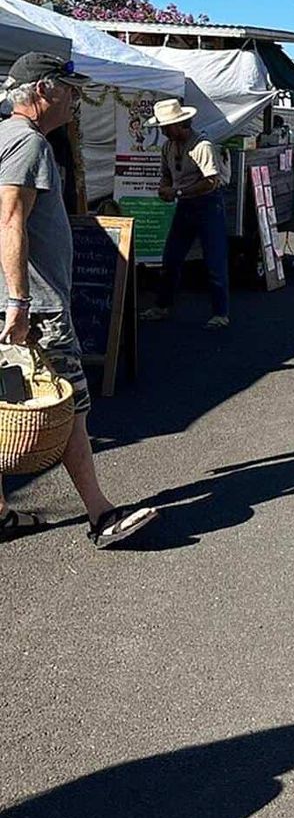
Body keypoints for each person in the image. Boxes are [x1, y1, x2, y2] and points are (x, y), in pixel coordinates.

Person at [0, 52, 158, 548]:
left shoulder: (6, 138)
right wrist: (21, 303)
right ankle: (101, 514)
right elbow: (10, 221)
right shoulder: (28, 145)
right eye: (70, 89)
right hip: (35, 305)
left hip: (15, 300)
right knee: (70, 406)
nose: (76, 98)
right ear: (44, 91)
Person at [140, 99, 230, 330]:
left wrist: (178, 191)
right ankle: (162, 305)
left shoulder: (202, 145)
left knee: (214, 259)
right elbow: (166, 174)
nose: (162, 131)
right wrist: (164, 187)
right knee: (171, 257)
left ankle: (221, 312)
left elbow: (211, 181)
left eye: (166, 127)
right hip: (186, 204)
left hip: (208, 204)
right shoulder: (168, 147)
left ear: (180, 124)